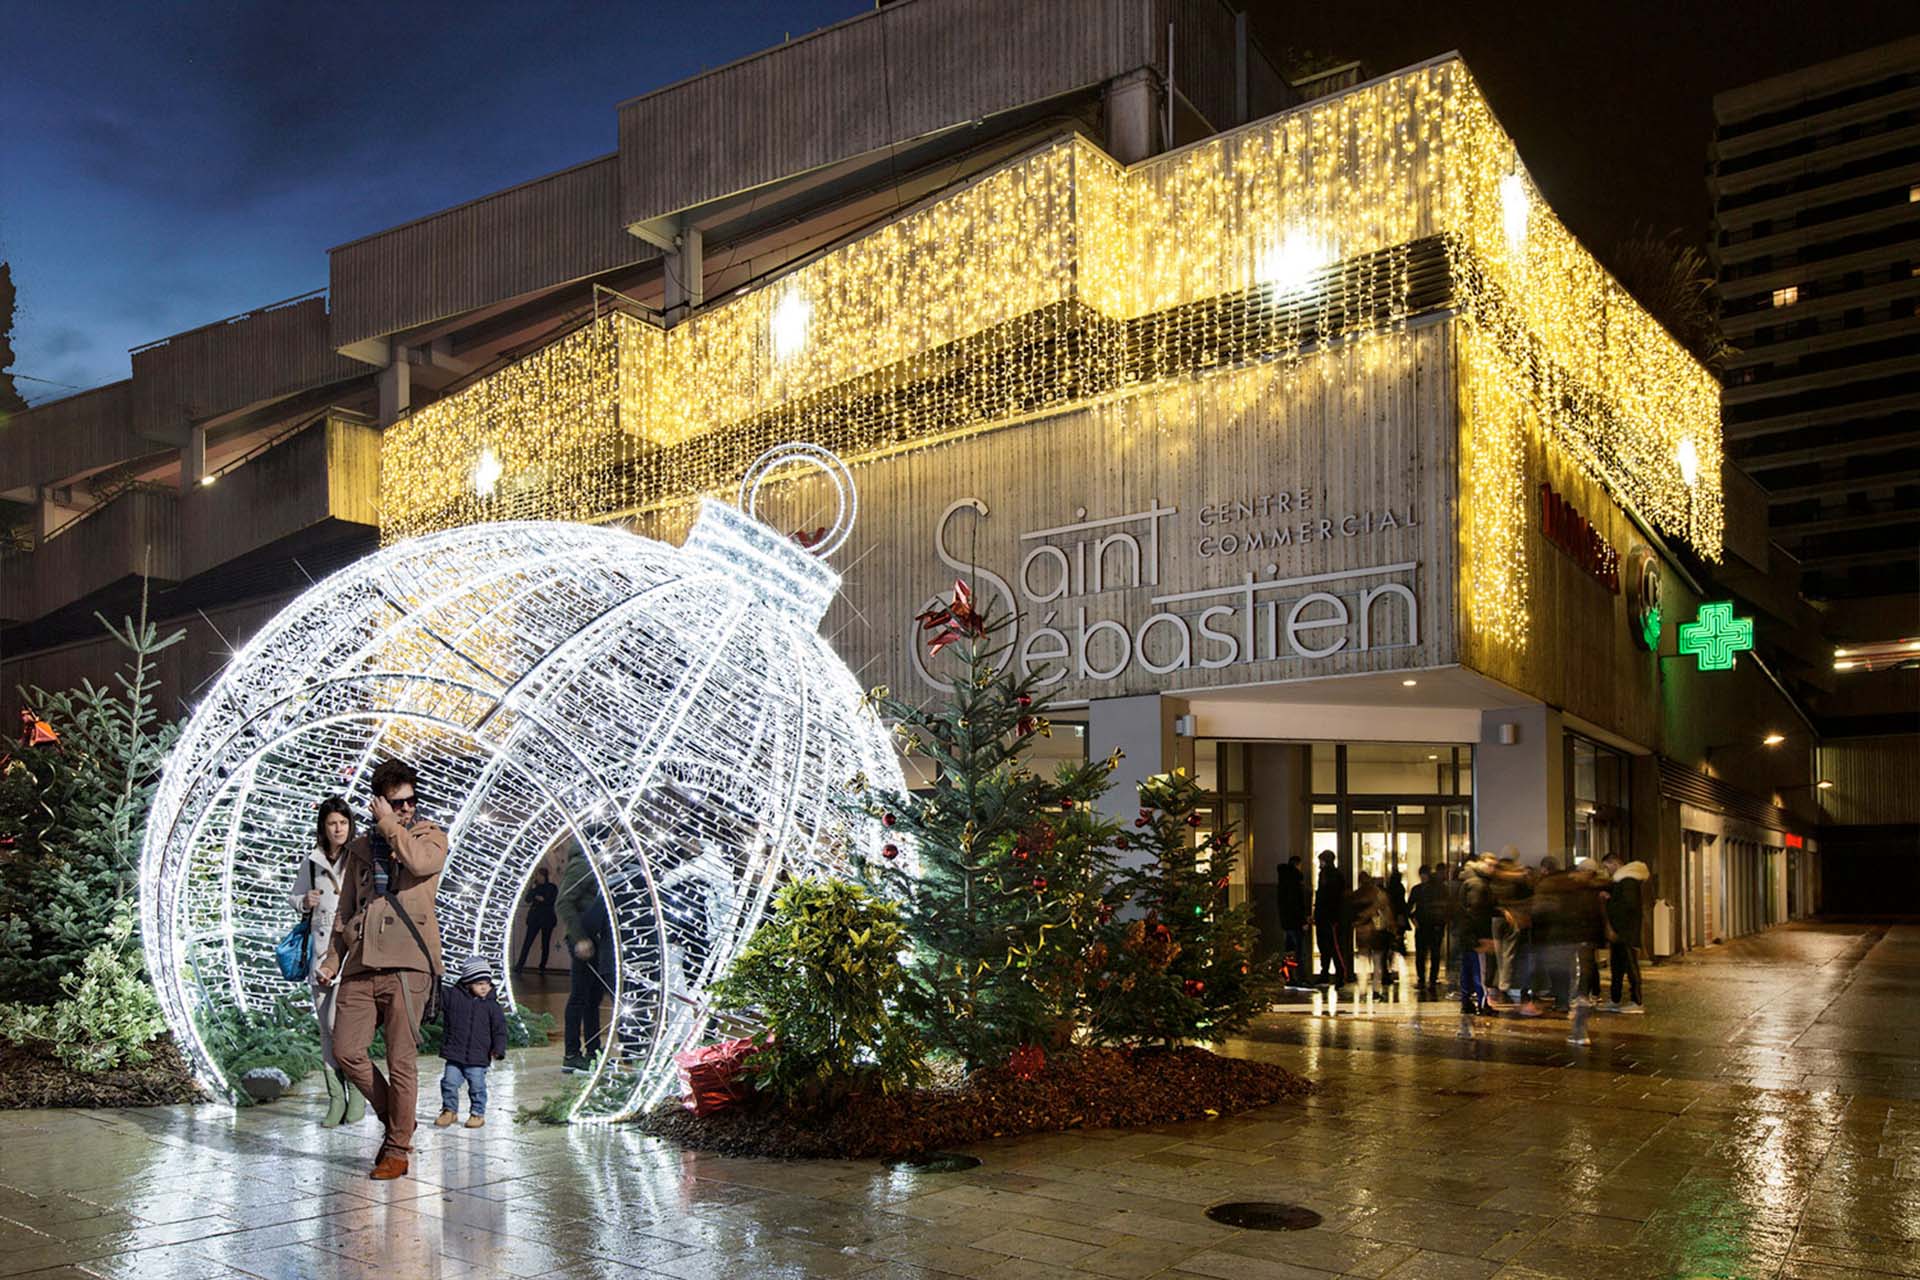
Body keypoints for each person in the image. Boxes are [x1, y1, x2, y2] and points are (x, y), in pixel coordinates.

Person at [316, 759, 447, 1181]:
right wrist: (333, 959)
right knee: (346, 1050)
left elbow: (420, 865)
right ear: (378, 802)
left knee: (400, 1060)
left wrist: (392, 826)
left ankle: (397, 1148)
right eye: (396, 803)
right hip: (362, 963)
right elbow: (346, 909)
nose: (406, 809)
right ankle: (398, 1118)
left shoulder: (429, 837)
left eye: (410, 802)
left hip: (409, 964)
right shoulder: (358, 850)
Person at [288, 796, 362, 1127]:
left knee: (339, 1026)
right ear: (324, 826)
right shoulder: (313, 861)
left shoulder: (359, 858)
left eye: (343, 823)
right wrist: (305, 900)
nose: (338, 829)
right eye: (332, 823)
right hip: (318, 955)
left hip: (350, 951)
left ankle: (359, 1092)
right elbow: (294, 896)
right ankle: (336, 1099)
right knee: (325, 1029)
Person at [556, 845, 614, 1073]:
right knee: (580, 997)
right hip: (583, 938)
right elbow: (563, 901)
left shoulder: (597, 864)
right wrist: (580, 938)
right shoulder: (583, 864)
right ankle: (571, 1054)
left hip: (594, 938)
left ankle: (593, 1052)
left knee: (592, 999)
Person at [437, 956, 508, 1129]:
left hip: (478, 1056)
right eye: (479, 983)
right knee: (449, 1082)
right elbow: (436, 993)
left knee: (477, 1086)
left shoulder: (492, 1006)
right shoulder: (453, 997)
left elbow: (499, 1029)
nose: (484, 987)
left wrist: (498, 1049)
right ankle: (449, 1110)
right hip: (455, 1053)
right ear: (468, 983)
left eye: (487, 983)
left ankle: (477, 1113)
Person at [1603, 854, 1649, 1013]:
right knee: (1617, 967)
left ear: (1615, 863)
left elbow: (1629, 906)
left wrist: (1610, 902)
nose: (1606, 870)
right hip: (1621, 932)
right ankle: (1615, 999)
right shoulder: (1622, 881)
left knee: (1630, 966)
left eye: (1607, 866)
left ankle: (1637, 1002)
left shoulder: (1628, 881)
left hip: (1626, 932)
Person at [1349, 870, 1396, 997]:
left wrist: (1358, 922)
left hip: (1361, 931)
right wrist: (1392, 927)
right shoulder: (1378, 893)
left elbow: (1351, 915)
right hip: (1376, 930)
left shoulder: (1356, 895)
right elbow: (1386, 910)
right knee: (1377, 960)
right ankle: (1375, 988)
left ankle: (1363, 988)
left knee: (1363, 959)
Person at [1312, 851, 1352, 985]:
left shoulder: (1329, 875)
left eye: (1321, 861)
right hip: (1331, 917)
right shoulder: (1334, 875)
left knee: (1329, 947)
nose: (1320, 864)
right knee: (1331, 947)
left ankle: (1333, 974)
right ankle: (1335, 975)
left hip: (1328, 917)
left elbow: (1326, 897)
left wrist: (1318, 914)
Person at [1408, 865, 1448, 999]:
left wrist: (1414, 920)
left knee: (1423, 953)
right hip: (1433, 925)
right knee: (1432, 953)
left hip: (1425, 925)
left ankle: (1424, 978)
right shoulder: (1438, 889)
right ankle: (1431, 978)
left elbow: (1409, 908)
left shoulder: (1418, 890)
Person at [516, 866, 560, 972]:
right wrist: (533, 889)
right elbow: (527, 899)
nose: (537, 878)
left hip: (547, 918)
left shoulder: (551, 887)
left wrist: (541, 898)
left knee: (545, 943)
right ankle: (520, 965)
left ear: (544, 876)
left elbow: (550, 900)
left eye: (539, 876)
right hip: (534, 918)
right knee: (527, 942)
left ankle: (542, 966)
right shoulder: (535, 887)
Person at [1276, 854, 1308, 975]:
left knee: (1289, 950)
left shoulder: (1283, 880)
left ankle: (1289, 976)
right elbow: (1297, 903)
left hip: (1286, 921)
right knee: (1299, 951)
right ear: (1297, 865)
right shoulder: (1295, 881)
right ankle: (1300, 976)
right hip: (1296, 922)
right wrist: (1303, 920)